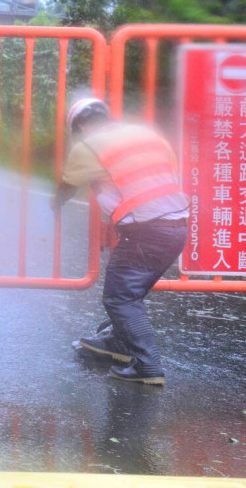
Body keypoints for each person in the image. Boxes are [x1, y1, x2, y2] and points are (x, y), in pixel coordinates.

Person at [54, 97, 188, 385]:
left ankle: (147, 365)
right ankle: (119, 343)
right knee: (131, 292)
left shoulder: (89, 146)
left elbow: (68, 184)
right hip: (176, 227)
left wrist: (56, 202)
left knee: (120, 297)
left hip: (146, 231)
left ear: (79, 126)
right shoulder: (146, 135)